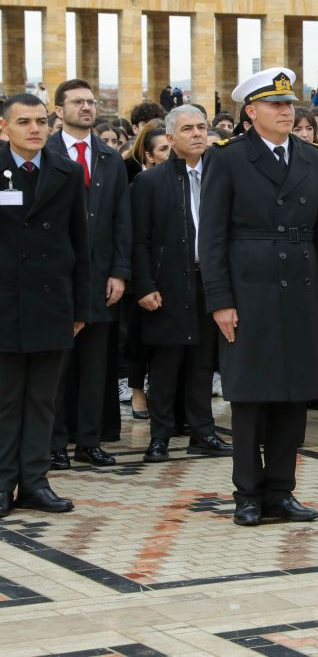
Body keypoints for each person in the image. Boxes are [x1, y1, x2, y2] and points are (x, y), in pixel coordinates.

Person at [199, 67, 318, 527]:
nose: (286, 111)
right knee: (251, 397)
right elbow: (212, 237)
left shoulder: (311, 158)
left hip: (300, 288)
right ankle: (248, 493)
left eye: (289, 104)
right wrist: (220, 300)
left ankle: (282, 491)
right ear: (251, 111)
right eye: (275, 105)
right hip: (249, 289)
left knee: (294, 395)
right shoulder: (228, 158)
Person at [0, 93, 91, 516]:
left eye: (40, 121)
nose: (35, 129)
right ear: (5, 128)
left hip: (51, 303)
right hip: (4, 304)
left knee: (42, 400)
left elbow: (80, 243)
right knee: (6, 399)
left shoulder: (67, 172)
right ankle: (2, 484)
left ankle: (34, 482)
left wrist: (80, 308)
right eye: (24, 122)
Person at [131, 104, 234, 462]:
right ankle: (160, 436)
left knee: (203, 361)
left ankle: (203, 432)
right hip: (168, 283)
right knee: (165, 363)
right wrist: (143, 285)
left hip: (211, 281)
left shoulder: (222, 175)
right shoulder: (149, 182)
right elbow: (138, 240)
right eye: (188, 129)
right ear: (171, 137)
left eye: (201, 127)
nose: (197, 134)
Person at [48, 79, 131, 470]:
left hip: (100, 279)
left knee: (96, 366)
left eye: (91, 102)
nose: (86, 107)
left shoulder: (109, 157)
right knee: (57, 364)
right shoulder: (43, 152)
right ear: (59, 109)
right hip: (56, 280)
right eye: (77, 102)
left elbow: (121, 220)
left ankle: (89, 441)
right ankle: (52, 443)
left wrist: (119, 271)